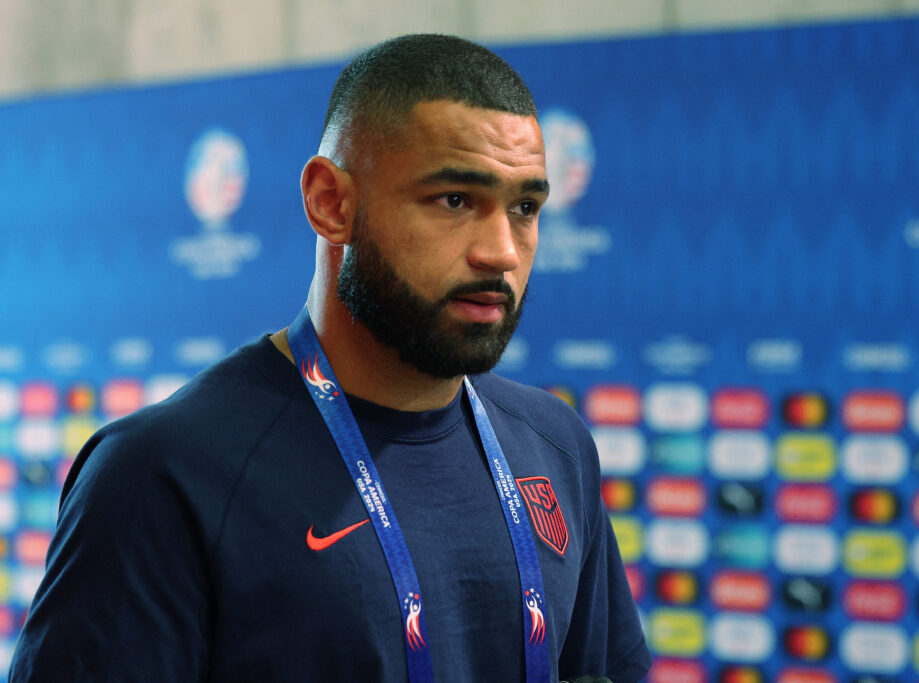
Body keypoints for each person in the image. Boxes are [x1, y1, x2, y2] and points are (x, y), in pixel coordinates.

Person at [10, 34, 651, 682]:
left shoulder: (555, 445)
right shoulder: (162, 473)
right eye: (455, 200)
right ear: (330, 202)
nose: (502, 251)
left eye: (524, 207)